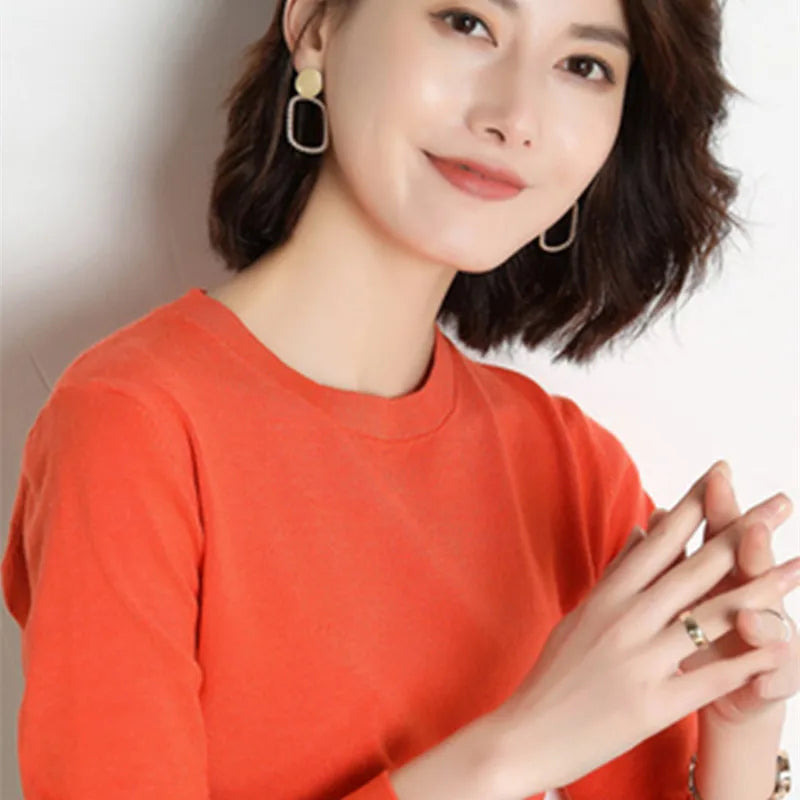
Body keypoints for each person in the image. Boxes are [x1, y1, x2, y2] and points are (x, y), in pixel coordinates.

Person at [2, 0, 798, 798]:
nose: (515, 118)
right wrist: (515, 751)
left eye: (584, 65)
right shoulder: (133, 424)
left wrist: (740, 731)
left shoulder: (569, 470)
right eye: (467, 22)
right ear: (316, 25)